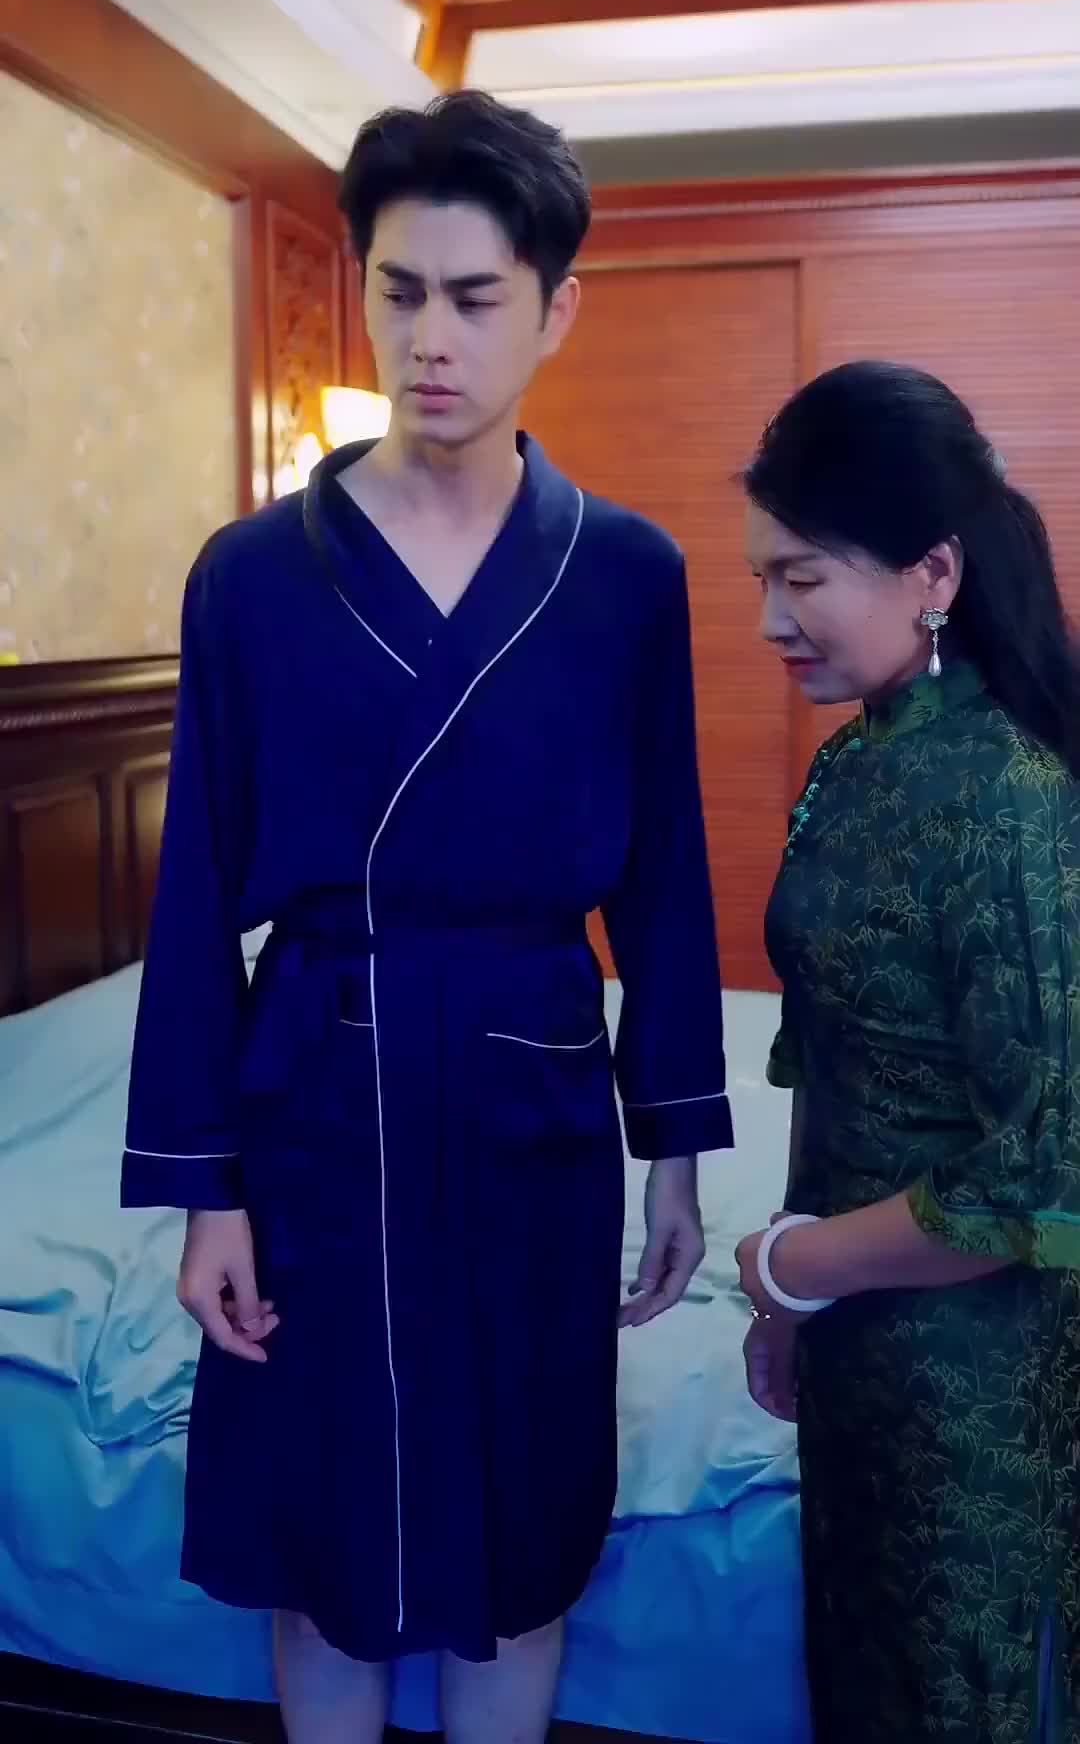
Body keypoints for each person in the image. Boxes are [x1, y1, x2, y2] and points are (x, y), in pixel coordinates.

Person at [122, 89, 731, 1744]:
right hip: (314, 1091)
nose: (431, 339)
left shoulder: (625, 573)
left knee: (517, 1525)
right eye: (400, 293)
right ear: (365, 289)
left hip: (531, 1090)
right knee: (322, 1529)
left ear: (556, 310)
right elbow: (195, 897)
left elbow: (665, 876)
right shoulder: (252, 574)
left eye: (474, 298)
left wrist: (676, 1144)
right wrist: (202, 1192)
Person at [734, 359, 1080, 1744]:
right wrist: (790, 1296)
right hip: (861, 1354)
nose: (770, 618)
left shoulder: (1012, 801)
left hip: (979, 1383)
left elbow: (1039, 1181)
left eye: (803, 577)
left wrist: (795, 1264)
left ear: (933, 573)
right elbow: (831, 1057)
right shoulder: (857, 757)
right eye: (762, 577)